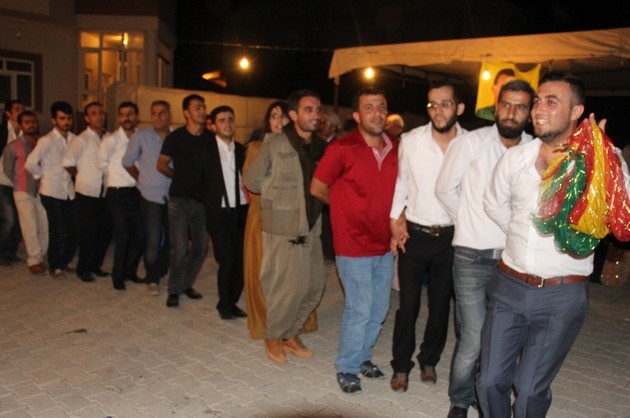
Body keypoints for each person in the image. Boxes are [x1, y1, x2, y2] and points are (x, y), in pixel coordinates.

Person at [477, 71, 630, 417]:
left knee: (530, 391)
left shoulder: (601, 158)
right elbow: (493, 204)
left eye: (551, 101)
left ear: (576, 111)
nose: (538, 109)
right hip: (508, 286)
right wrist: (521, 234)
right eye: (537, 101)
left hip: (562, 296)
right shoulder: (516, 158)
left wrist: (601, 164)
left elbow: (622, 217)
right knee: (488, 382)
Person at [435, 80, 535, 418]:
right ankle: (460, 401)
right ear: (496, 107)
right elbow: (445, 189)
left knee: (502, 339)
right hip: (472, 257)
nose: (511, 113)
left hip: (513, 261)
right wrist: (468, 221)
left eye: (520, 107)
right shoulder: (470, 143)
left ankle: (486, 394)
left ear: (529, 113)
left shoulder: (535, 150)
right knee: (475, 337)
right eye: (506, 105)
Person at [311, 88, 398, 393]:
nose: (377, 113)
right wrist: (344, 208)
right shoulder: (342, 148)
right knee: (359, 310)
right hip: (352, 245)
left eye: (381, 106)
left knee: (379, 309)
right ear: (357, 116)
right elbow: (317, 188)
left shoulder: (397, 147)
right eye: (369, 107)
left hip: (385, 245)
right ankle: (346, 367)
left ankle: (362, 357)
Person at [389, 80, 467, 392]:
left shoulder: (471, 144)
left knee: (440, 306)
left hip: (452, 238)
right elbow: (401, 182)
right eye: (432, 104)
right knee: (408, 305)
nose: (438, 111)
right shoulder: (411, 140)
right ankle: (400, 366)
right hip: (415, 234)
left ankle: (429, 360)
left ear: (459, 108)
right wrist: (395, 220)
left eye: (445, 104)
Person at [243, 89, 327, 365]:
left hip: (312, 226)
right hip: (283, 228)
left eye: (318, 109)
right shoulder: (274, 144)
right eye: (308, 109)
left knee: (314, 286)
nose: (315, 115)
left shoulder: (321, 147)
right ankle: (273, 336)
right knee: (285, 288)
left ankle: (290, 333)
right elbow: (252, 182)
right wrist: (278, 194)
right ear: (293, 115)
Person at [157, 94, 213, 308]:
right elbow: (161, 164)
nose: (202, 111)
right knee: (180, 249)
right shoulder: (176, 137)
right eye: (197, 107)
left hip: (202, 201)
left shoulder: (210, 139)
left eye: (203, 107)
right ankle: (173, 290)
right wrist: (178, 177)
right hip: (179, 200)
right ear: (186, 113)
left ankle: (186, 284)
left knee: (200, 247)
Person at [122, 100, 173, 296]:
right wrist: (140, 178)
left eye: (162, 113)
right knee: (152, 241)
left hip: (173, 197)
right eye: (154, 113)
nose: (158, 117)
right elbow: (127, 162)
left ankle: (160, 270)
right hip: (150, 197)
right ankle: (152, 278)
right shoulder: (140, 137)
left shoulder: (176, 137)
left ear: (169, 115)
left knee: (173, 241)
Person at [25, 101, 78, 279]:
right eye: (62, 118)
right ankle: (55, 267)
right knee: (58, 230)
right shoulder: (46, 140)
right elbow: (30, 163)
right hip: (50, 191)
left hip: (68, 190)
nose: (66, 122)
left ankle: (64, 261)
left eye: (69, 118)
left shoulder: (74, 139)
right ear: (54, 120)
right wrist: (42, 175)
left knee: (74, 229)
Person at [205, 105, 249, 320]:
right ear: (213, 125)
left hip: (242, 210)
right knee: (227, 259)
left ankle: (232, 301)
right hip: (220, 213)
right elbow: (195, 181)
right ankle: (224, 304)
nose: (227, 124)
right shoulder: (206, 151)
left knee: (241, 261)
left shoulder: (242, 150)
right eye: (222, 120)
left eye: (230, 119)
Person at [62, 102, 112, 283]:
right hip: (86, 193)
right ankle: (83, 268)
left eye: (101, 113)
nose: (99, 116)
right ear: (87, 118)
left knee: (104, 232)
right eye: (94, 113)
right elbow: (67, 163)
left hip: (106, 192)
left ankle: (95, 265)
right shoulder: (81, 139)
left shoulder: (110, 138)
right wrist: (82, 177)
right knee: (88, 233)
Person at [98, 101, 144, 290]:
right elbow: (101, 164)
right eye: (123, 114)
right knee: (123, 235)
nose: (127, 118)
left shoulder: (142, 138)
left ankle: (129, 272)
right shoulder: (111, 140)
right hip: (116, 193)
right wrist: (117, 175)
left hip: (137, 192)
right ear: (118, 118)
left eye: (130, 114)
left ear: (137, 116)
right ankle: (117, 276)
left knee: (140, 235)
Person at [2, 110, 48, 274]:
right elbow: (8, 170)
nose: (31, 125)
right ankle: (34, 259)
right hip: (22, 190)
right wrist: (19, 182)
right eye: (27, 122)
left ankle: (42, 254)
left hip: (42, 189)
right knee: (29, 225)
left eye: (33, 122)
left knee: (45, 224)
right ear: (21, 125)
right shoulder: (12, 147)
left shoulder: (43, 143)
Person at [0, 100, 25, 266]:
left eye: (22, 109)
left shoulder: (25, 133)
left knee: (19, 220)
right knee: (8, 219)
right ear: (8, 113)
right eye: (17, 109)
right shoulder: (3, 132)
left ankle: (11, 252)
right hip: (2, 181)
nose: (20, 111)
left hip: (19, 182)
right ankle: (2, 253)